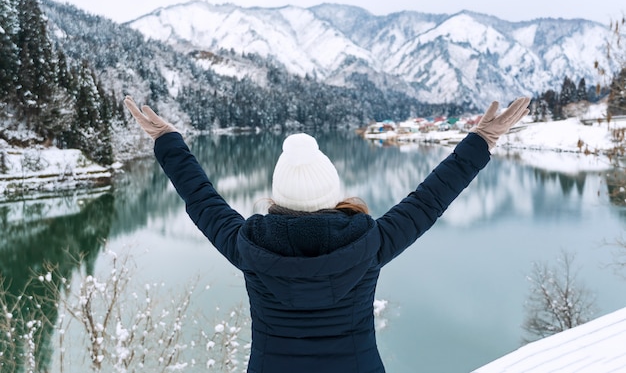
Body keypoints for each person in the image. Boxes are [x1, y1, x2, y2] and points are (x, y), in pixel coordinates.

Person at [124, 96, 530, 373]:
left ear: (277, 195)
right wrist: (482, 140)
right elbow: (430, 199)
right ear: (332, 193)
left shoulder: (248, 246)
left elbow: (201, 198)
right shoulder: (369, 243)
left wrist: (167, 141)